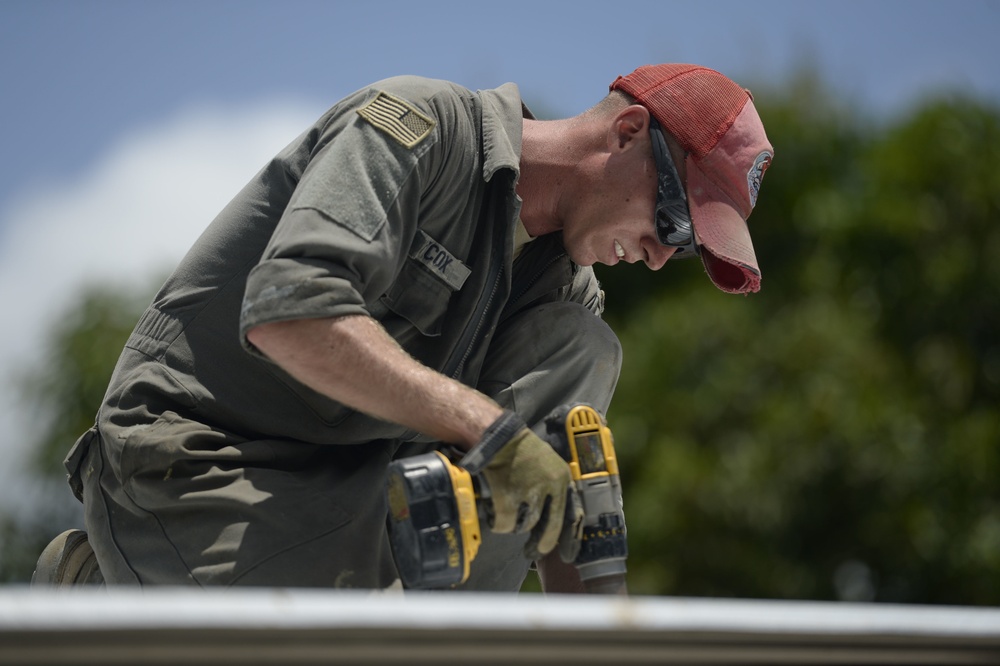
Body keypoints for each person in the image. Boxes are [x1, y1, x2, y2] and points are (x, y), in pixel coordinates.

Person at [34, 63, 773, 592]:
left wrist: (597, 617)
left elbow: (552, 506)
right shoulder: (419, 128)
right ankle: (100, 581)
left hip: (354, 489)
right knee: (329, 647)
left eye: (681, 251)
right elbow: (289, 313)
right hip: (199, 464)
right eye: (672, 221)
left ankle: (425, 626)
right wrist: (488, 427)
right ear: (628, 131)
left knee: (581, 349)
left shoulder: (566, 294)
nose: (655, 257)